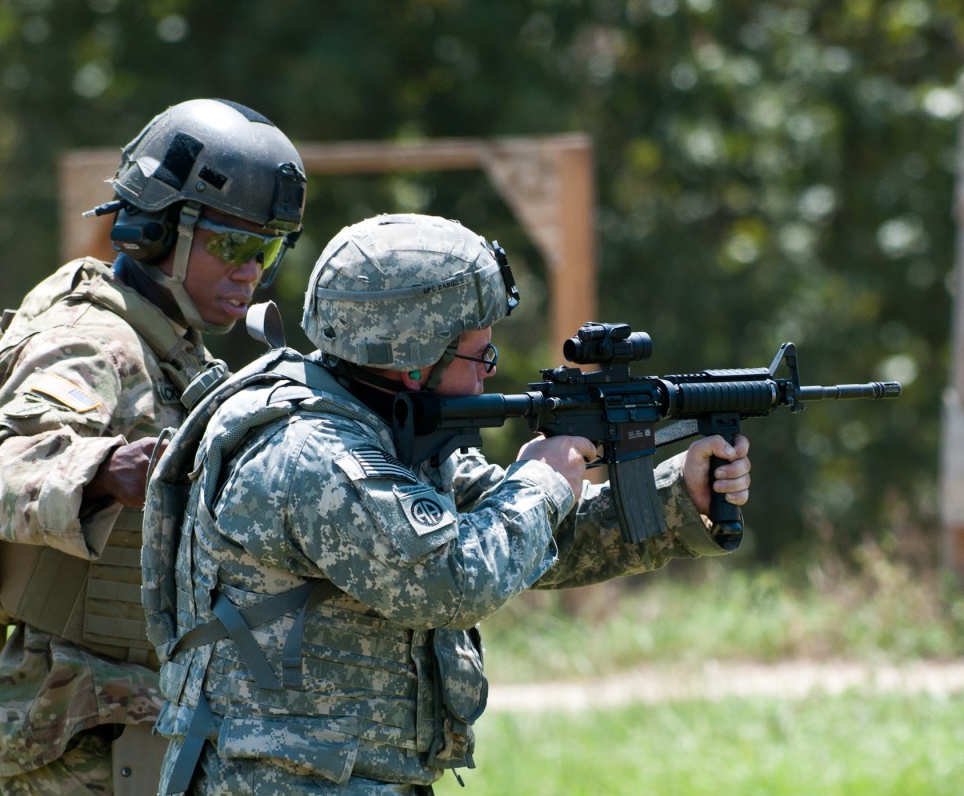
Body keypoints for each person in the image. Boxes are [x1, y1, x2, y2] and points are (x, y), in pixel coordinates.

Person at [142, 212, 752, 795]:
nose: (488, 374)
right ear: (414, 360)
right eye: (479, 354)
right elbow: (449, 579)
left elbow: (513, 538)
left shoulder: (387, 434)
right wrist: (541, 484)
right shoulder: (312, 454)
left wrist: (678, 497)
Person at [0, 98, 306, 795]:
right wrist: (106, 470)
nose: (249, 273)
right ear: (158, 231)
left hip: (145, 723)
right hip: (79, 735)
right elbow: (0, 470)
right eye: (233, 245)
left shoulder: (175, 353)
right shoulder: (91, 341)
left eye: (265, 251)